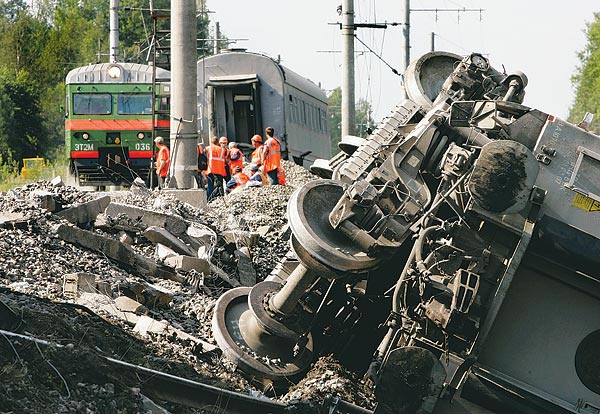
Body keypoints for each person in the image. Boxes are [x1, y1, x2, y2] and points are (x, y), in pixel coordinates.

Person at [206, 135, 228, 200]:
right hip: (219, 170)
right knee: (220, 185)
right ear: (218, 142)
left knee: (210, 185)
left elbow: (205, 158)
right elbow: (225, 160)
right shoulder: (222, 150)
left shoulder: (208, 148)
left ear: (211, 142)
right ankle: (221, 198)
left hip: (210, 169)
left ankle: (209, 199)